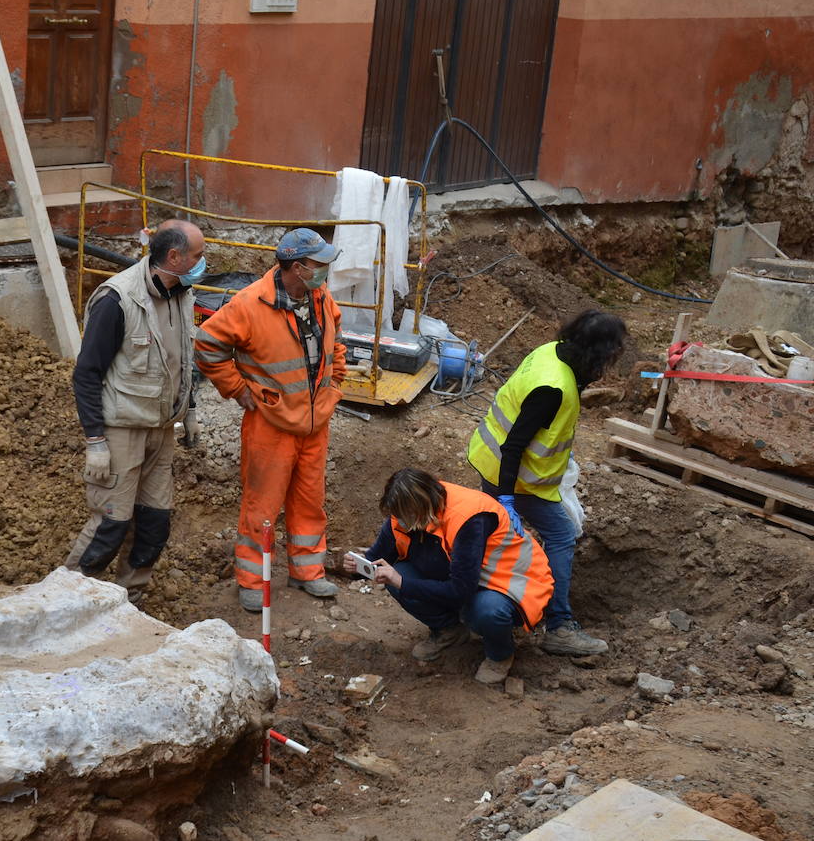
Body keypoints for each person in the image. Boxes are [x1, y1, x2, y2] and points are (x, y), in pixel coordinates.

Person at [194, 227, 347, 612]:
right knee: (262, 507)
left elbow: (337, 341)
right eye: (319, 264)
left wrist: (334, 384)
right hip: (271, 424)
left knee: (310, 501)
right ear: (298, 267)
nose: (325, 270)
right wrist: (239, 390)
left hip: (315, 423)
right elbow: (207, 345)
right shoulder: (249, 305)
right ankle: (252, 580)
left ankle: (307, 572)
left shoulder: (320, 296)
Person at [466, 309, 628, 656]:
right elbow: (514, 445)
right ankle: (559, 625)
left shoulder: (550, 351)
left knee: (495, 539)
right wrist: (508, 500)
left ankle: (476, 605)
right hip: (514, 476)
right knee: (560, 534)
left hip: (490, 458)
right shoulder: (553, 388)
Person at [64, 219, 206, 603]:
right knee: (111, 522)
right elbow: (87, 374)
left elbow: (182, 359)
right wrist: (95, 441)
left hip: (161, 430)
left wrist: (188, 410)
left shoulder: (182, 293)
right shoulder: (118, 300)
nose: (202, 261)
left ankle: (130, 598)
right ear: (174, 257)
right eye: (197, 255)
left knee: (154, 523)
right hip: (120, 431)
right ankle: (69, 598)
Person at [346, 468, 553, 685]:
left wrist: (402, 582)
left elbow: (461, 591)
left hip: (509, 580)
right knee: (397, 575)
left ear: (422, 507)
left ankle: (499, 655)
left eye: (404, 516)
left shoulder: (469, 518)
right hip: (463, 576)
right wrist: (356, 567)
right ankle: (450, 631)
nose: (399, 521)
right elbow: (376, 558)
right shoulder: (403, 515)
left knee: (487, 610)